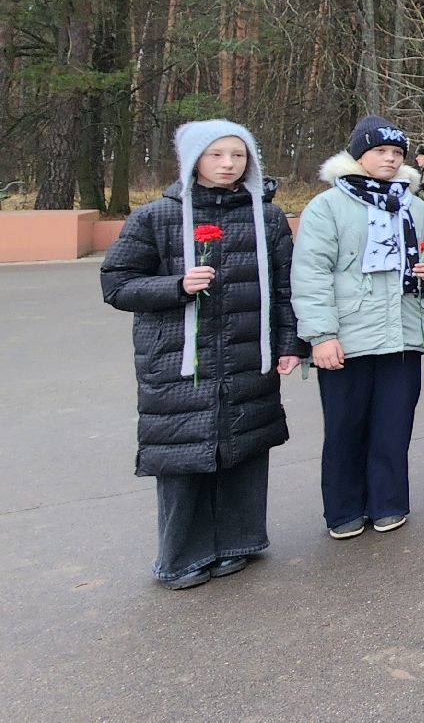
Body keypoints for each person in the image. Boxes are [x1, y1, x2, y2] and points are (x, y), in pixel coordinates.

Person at [101, 120, 301, 589]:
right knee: (184, 453)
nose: (229, 164)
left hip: (248, 353)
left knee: (244, 446)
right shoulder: (156, 217)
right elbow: (117, 285)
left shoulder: (268, 217)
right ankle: (182, 557)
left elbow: (285, 287)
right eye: (216, 155)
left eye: (238, 155)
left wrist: (290, 344)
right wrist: (176, 286)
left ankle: (237, 542)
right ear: (193, 160)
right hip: (178, 360)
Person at [291, 116, 424, 538]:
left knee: (393, 427)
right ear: (359, 155)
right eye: (380, 151)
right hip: (348, 337)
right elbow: (311, 274)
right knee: (345, 429)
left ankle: (388, 503)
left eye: (397, 153)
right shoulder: (328, 206)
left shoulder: (415, 207)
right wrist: (321, 336)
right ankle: (344, 511)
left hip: (404, 333)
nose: (390, 160)